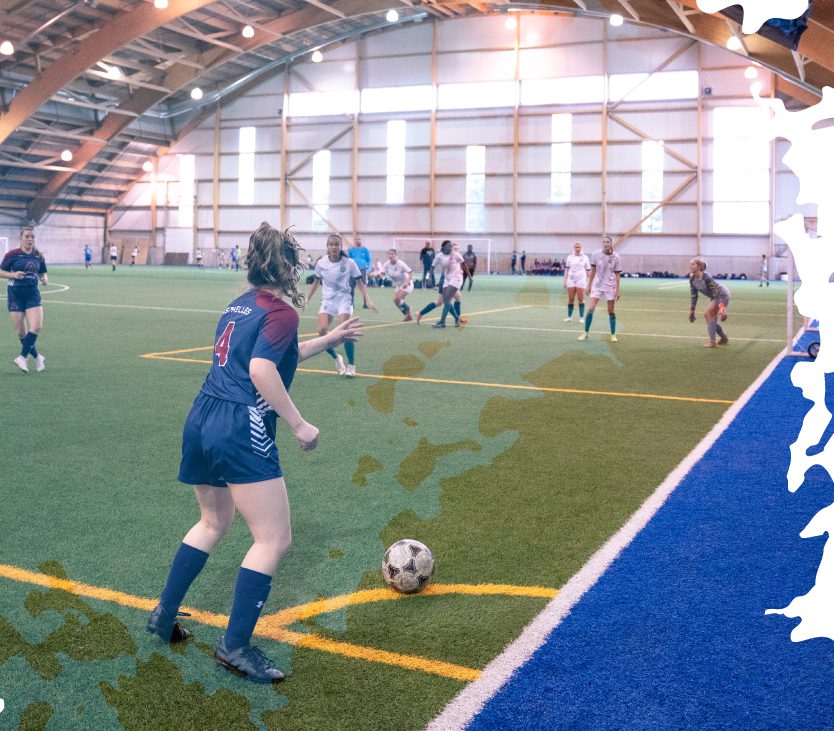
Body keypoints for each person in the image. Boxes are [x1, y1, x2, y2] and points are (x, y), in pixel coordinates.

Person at [147, 222, 364, 684]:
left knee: (212, 523)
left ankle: (162, 615)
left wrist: (328, 340)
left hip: (203, 415)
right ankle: (235, 645)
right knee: (273, 539)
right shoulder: (281, 311)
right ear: (285, 265)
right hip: (239, 424)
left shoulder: (238, 305)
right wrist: (300, 425)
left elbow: (272, 355)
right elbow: (263, 368)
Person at [306, 233, 376, 377]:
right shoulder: (321, 263)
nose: (334, 247)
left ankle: (351, 365)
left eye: (336, 244)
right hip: (327, 300)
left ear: (340, 246)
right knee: (321, 331)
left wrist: (367, 300)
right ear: (327, 246)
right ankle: (337, 358)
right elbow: (315, 282)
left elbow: (359, 283)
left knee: (346, 331)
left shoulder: (349, 263)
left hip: (344, 298)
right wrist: (307, 298)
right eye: (331, 244)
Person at [1, 225, 47, 373]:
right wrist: (13, 275)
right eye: (27, 236)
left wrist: (44, 279)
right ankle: (38, 357)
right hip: (15, 294)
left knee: (37, 326)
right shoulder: (12, 255)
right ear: (21, 238)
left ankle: (22, 358)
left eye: (32, 237)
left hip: (32, 294)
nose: (30, 239)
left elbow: (42, 273)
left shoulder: (38, 256)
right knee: (22, 333)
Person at [578, 235, 621, 343]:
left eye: (608, 242)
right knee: (590, 309)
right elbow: (592, 271)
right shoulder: (595, 254)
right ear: (602, 243)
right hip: (597, 286)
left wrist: (617, 290)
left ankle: (613, 334)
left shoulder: (616, 257)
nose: (606, 243)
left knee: (611, 311)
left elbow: (617, 275)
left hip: (610, 287)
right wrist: (589, 286)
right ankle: (585, 333)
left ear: (611, 244)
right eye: (604, 242)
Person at [688, 257, 730, 348]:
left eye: (692, 264)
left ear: (699, 266)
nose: (690, 266)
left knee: (707, 313)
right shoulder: (692, 280)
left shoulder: (707, 278)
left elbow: (717, 294)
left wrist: (722, 309)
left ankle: (713, 342)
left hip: (722, 294)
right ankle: (723, 338)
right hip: (715, 296)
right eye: (690, 264)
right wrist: (692, 311)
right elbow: (694, 296)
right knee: (711, 318)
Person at [381, 249, 414, 321]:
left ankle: (407, 308)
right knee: (396, 302)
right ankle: (408, 315)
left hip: (407, 284)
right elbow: (382, 273)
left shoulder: (401, 264)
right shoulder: (386, 264)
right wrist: (381, 276)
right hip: (398, 285)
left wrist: (406, 282)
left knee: (397, 299)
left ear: (396, 255)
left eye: (392, 254)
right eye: (389, 254)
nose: (390, 255)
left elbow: (411, 273)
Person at [563, 242, 591, 323]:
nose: (577, 249)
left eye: (579, 247)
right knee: (571, 299)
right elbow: (567, 269)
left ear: (581, 248)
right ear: (573, 248)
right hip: (571, 280)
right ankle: (569, 317)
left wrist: (590, 283)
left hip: (581, 280)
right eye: (576, 247)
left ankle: (581, 317)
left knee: (581, 299)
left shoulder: (585, 257)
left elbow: (588, 271)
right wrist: (565, 280)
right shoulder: (569, 257)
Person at [347, 235, 372, 308]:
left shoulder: (365, 250)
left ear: (361, 240)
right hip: (352, 270)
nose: (358, 240)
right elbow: (348, 260)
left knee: (363, 287)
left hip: (362, 270)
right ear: (355, 241)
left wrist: (369, 269)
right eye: (357, 239)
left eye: (359, 239)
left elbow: (369, 260)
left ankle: (366, 303)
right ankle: (351, 304)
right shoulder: (351, 250)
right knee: (351, 287)